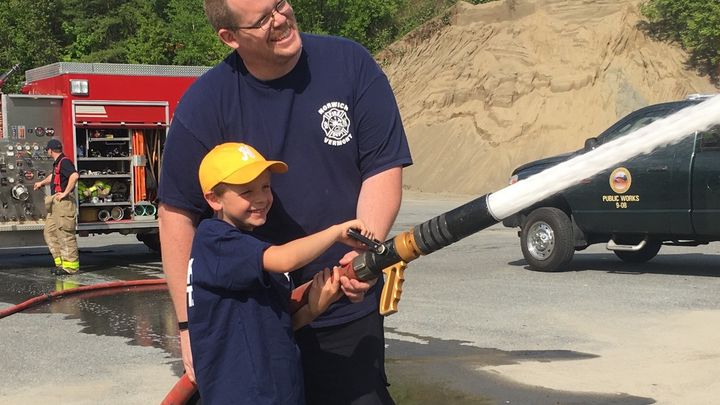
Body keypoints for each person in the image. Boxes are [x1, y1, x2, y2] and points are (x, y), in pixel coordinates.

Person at [157, 0, 412, 403]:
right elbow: (176, 213)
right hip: (253, 330)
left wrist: (362, 254)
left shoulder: (350, 64)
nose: (280, 19)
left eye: (279, 3)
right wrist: (190, 329)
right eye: (261, 20)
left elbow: (382, 167)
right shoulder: (205, 105)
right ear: (229, 38)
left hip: (342, 302)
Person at [189, 142, 374, 404]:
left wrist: (313, 308)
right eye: (247, 191)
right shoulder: (215, 239)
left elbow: (273, 324)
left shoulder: (246, 249)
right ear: (213, 199)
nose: (262, 198)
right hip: (245, 395)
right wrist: (336, 232)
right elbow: (285, 259)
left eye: (265, 186)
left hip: (277, 390)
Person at [33, 138, 80, 275]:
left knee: (65, 235)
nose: (47, 152)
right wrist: (41, 183)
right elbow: (53, 177)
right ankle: (61, 264)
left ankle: (70, 267)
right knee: (50, 232)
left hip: (63, 203)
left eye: (47, 150)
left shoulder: (64, 162)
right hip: (55, 204)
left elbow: (74, 176)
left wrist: (65, 192)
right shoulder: (58, 162)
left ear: (50, 150)